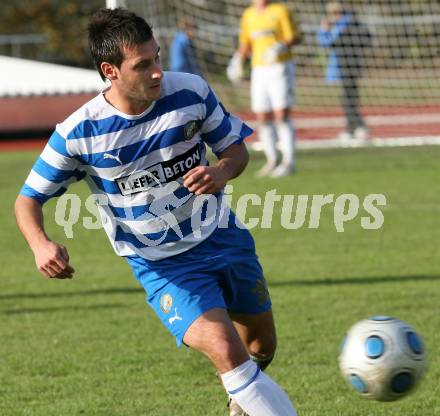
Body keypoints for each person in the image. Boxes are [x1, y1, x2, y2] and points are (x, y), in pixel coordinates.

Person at [14, 8, 297, 416]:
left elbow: (235, 150)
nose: (157, 72)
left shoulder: (192, 92)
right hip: (162, 263)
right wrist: (40, 245)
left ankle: (244, 398)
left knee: (260, 347)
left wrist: (220, 171)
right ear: (110, 71)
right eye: (142, 65)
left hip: (222, 236)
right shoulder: (79, 133)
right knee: (224, 347)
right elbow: (27, 200)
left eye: (158, 58)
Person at [227, 0, 302, 177]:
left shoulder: (281, 10)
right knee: (263, 116)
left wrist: (281, 46)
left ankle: (289, 161)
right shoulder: (248, 14)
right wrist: (237, 60)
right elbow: (245, 43)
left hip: (280, 65)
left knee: (281, 114)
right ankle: (272, 160)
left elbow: (296, 36)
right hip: (259, 68)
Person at [317, 1, 371, 142]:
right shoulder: (350, 24)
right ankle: (353, 128)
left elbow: (327, 42)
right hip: (348, 66)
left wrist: (324, 30)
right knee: (348, 99)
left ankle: (358, 128)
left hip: (347, 66)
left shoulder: (345, 26)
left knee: (348, 100)